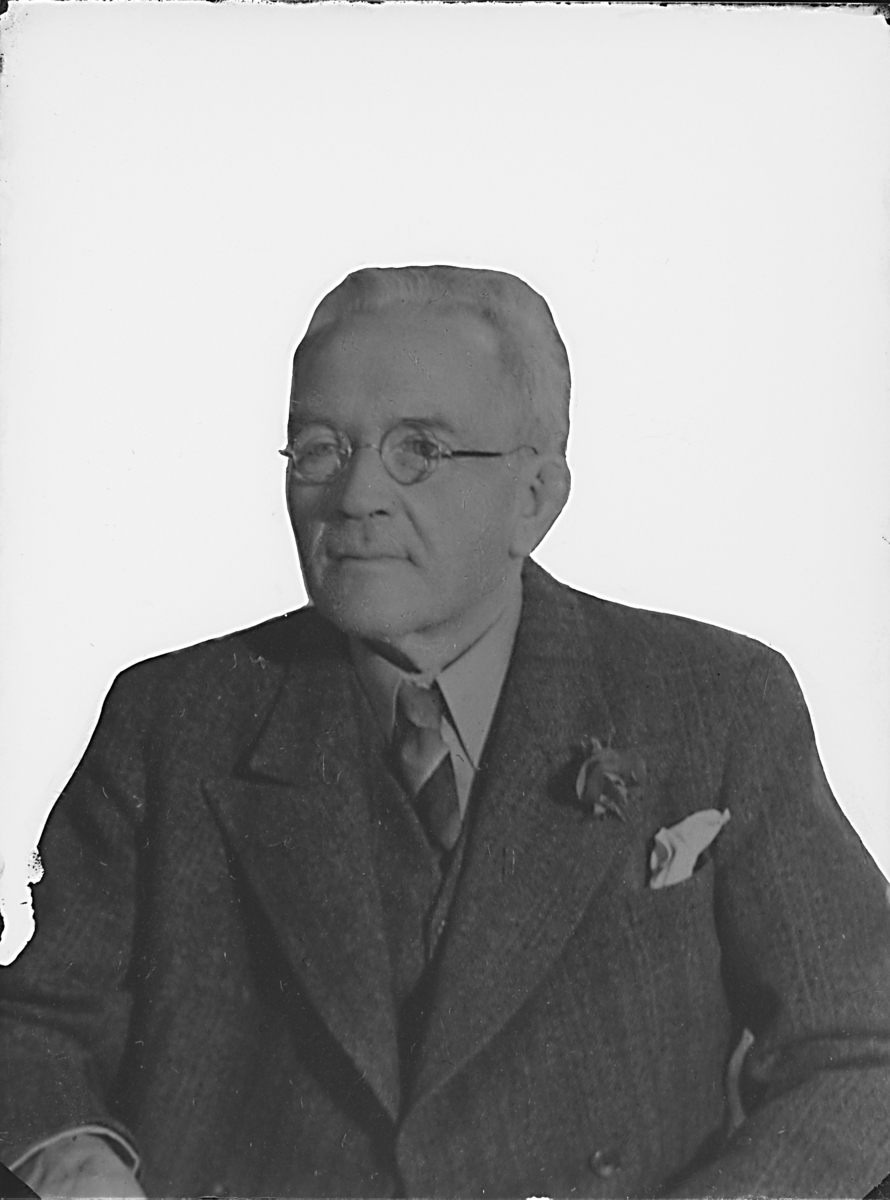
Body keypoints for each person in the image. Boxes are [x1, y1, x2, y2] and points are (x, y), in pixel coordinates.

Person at [1, 265, 889, 1199]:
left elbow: (861, 1050)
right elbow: (33, 1029)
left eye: (418, 450)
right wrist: (79, 1169)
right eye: (319, 449)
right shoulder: (173, 718)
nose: (355, 497)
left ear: (536, 497)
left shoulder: (714, 702)